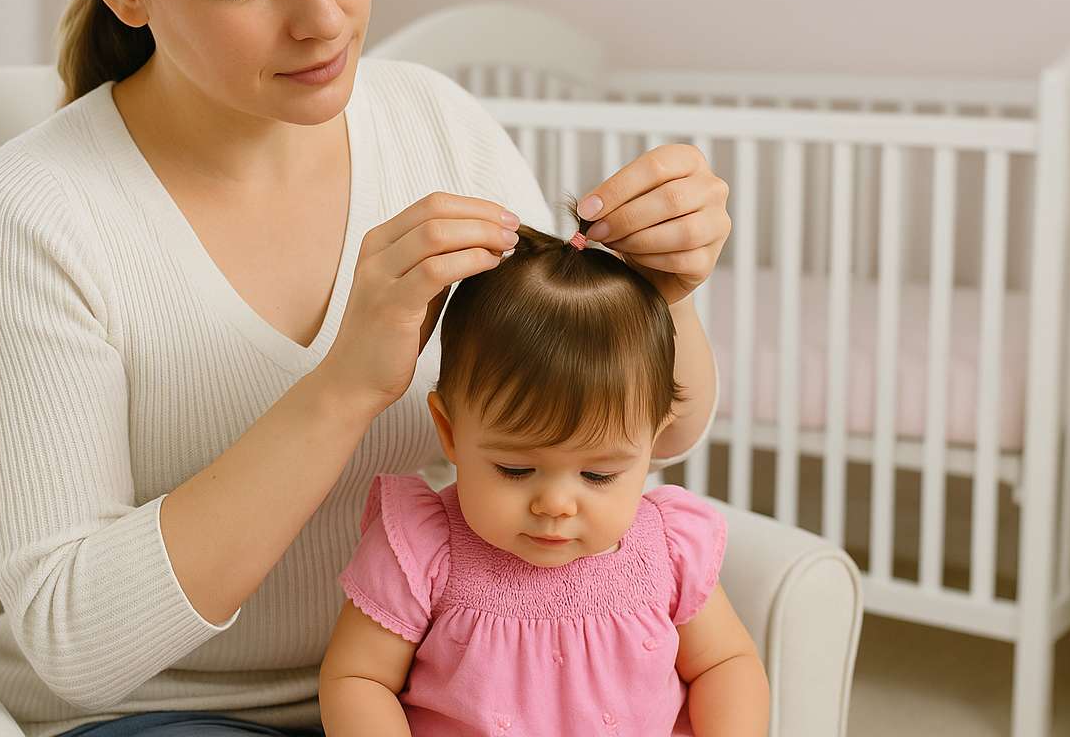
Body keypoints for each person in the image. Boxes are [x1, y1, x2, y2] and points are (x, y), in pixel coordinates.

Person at [0, 0, 730, 737]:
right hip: (167, 712)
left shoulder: (438, 121)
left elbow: (647, 431)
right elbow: (74, 642)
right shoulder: (35, 214)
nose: (325, 15)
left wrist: (667, 294)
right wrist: (345, 384)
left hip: (436, 687)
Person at [318, 210, 767, 736]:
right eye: (515, 467)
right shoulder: (422, 549)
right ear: (450, 431)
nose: (556, 503)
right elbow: (357, 678)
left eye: (598, 475)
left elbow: (726, 663)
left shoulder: (667, 550)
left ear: (651, 443)